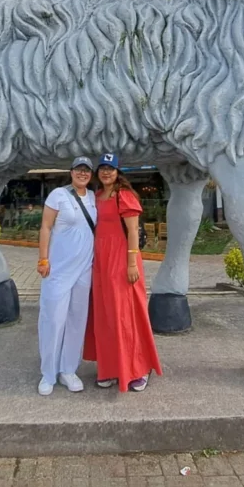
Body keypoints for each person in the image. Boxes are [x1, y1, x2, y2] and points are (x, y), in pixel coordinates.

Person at [84, 152, 163, 392]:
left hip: (122, 260)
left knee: (127, 313)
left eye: (111, 168)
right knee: (105, 314)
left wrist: (130, 264)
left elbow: (132, 232)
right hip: (101, 263)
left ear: (119, 172)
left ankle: (139, 367)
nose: (106, 172)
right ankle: (110, 367)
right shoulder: (96, 196)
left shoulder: (125, 196)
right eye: (103, 168)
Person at [36, 156, 97, 396]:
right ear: (71, 172)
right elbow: (46, 227)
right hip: (58, 270)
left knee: (76, 320)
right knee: (53, 320)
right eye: (78, 170)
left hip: (84, 269)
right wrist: (43, 258)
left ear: (90, 175)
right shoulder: (58, 195)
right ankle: (48, 373)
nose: (82, 174)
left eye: (86, 170)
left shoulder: (93, 198)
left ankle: (68, 370)